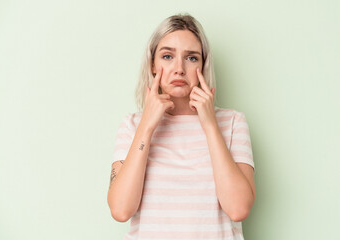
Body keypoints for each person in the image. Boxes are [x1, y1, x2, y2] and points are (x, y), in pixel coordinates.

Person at [107, 13, 256, 240]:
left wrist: (209, 125)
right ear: (153, 65)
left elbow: (238, 209)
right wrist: (147, 126)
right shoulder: (132, 125)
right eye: (167, 56)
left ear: (203, 66)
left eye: (191, 58)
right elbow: (120, 209)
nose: (179, 68)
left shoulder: (233, 122)